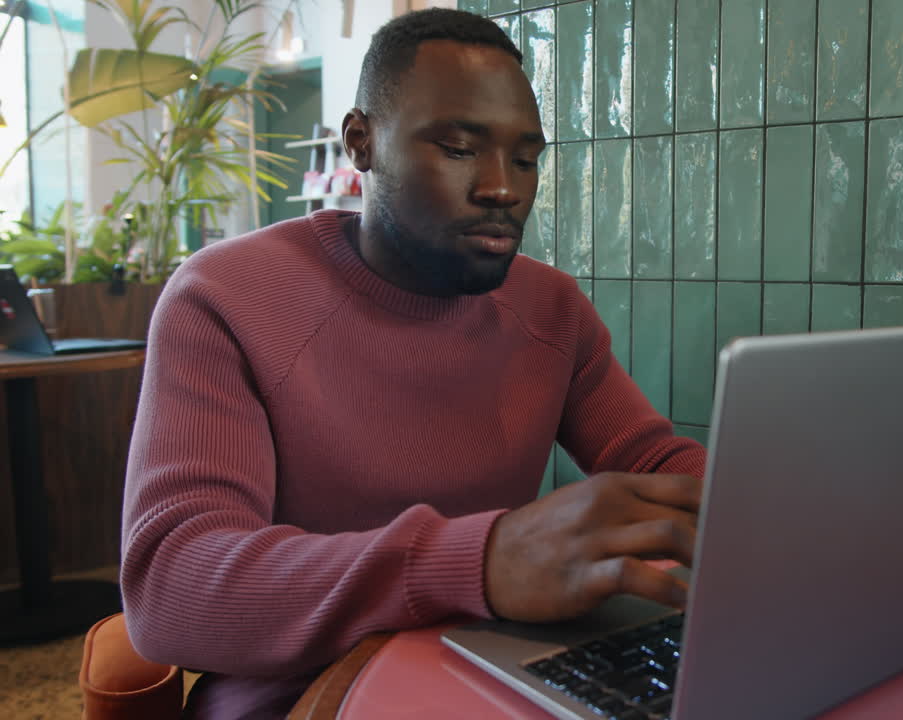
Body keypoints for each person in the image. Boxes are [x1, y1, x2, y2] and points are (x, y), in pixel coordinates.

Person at [120, 9, 706, 719]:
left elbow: (653, 463)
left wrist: (805, 511)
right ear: (361, 142)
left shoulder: (550, 308)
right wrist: (479, 562)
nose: (503, 188)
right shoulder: (226, 299)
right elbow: (172, 586)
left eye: (526, 159)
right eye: (459, 148)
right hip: (302, 695)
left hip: (498, 675)